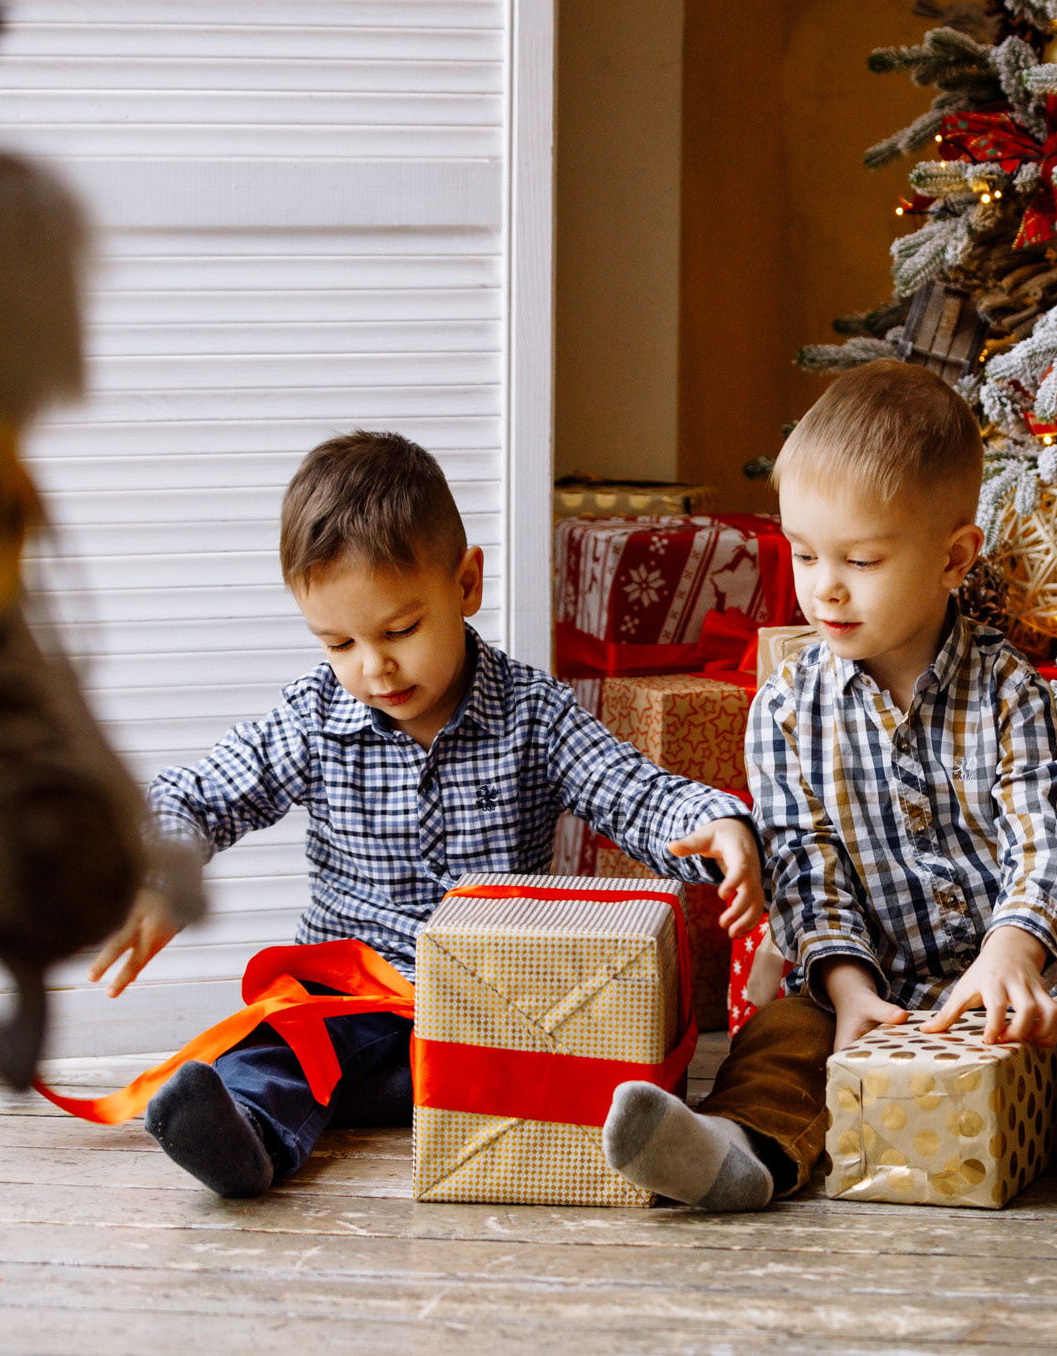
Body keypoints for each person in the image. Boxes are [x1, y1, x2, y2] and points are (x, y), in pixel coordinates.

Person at [88, 431, 763, 1197]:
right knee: (270, 1047)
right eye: (338, 641)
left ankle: (629, 1137)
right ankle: (246, 1141)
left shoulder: (534, 714)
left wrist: (721, 825)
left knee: (579, 1051)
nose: (373, 666)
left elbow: (637, 791)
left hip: (490, 1005)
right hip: (349, 1005)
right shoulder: (313, 716)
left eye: (400, 630)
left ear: (466, 584)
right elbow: (194, 794)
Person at [601, 360, 1057, 1211]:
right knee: (782, 1039)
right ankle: (734, 1147)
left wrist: (1014, 948)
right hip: (858, 984)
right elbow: (805, 862)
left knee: (1051, 1043)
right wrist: (846, 986)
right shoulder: (790, 708)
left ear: (953, 557)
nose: (823, 584)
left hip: (998, 979)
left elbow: (1044, 836)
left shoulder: (1012, 693)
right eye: (803, 553)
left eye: (860, 559)